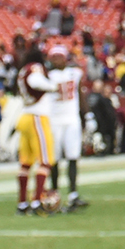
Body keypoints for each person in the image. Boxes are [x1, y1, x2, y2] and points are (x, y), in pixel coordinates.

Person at [45, 44, 89, 211]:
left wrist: (87, 115)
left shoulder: (75, 73)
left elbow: (80, 94)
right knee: (54, 159)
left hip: (71, 119)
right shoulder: (47, 76)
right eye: (54, 57)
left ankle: (73, 194)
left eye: (59, 56)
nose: (57, 60)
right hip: (54, 120)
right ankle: (54, 194)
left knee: (73, 156)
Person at [12, 46, 57, 213]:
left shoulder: (23, 69)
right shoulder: (35, 68)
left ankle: (22, 203)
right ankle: (37, 201)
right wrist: (52, 86)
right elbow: (36, 82)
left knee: (25, 163)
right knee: (45, 161)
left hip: (25, 115)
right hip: (37, 117)